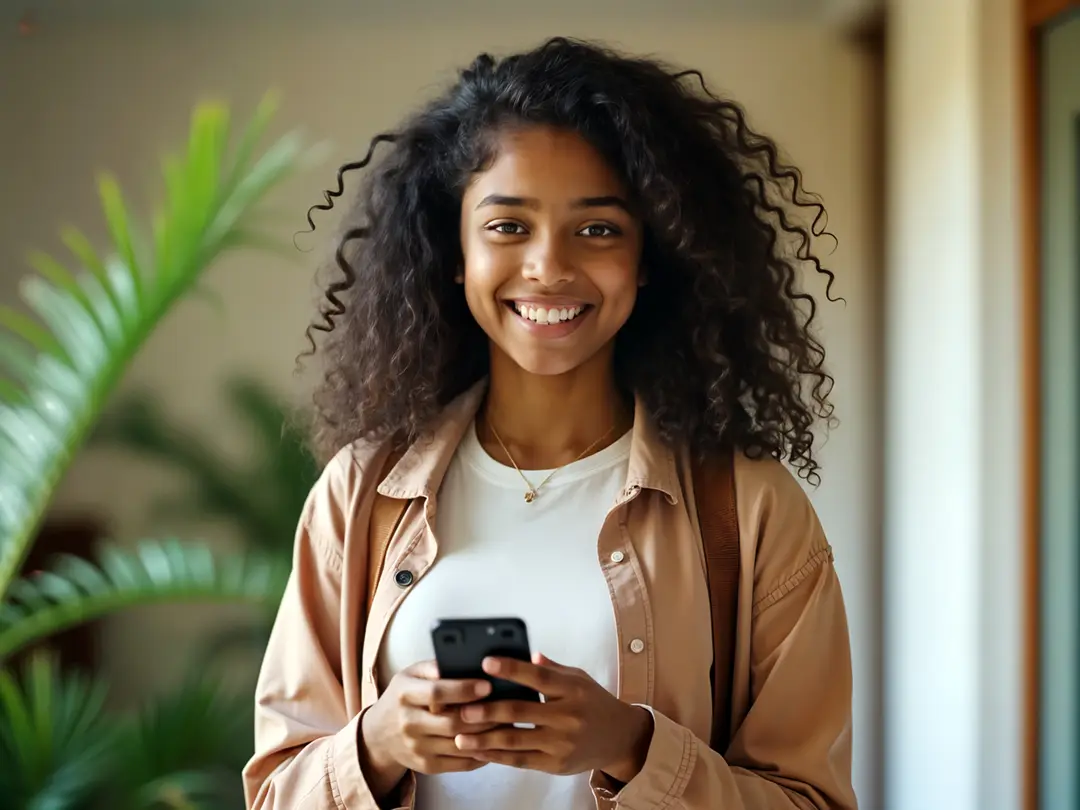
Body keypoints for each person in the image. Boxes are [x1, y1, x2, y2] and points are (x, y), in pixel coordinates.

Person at [243, 37, 857, 810]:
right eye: (508, 226)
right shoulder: (360, 496)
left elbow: (814, 802)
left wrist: (631, 749)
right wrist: (379, 744)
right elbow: (274, 795)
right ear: (455, 253)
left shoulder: (754, 510)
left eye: (597, 229)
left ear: (648, 258)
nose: (549, 266)